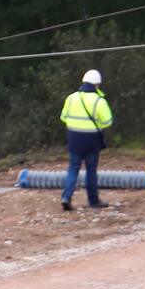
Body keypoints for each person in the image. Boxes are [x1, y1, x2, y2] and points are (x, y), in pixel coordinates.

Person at [59, 69, 114, 211]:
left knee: (73, 169)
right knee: (91, 171)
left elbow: (63, 117)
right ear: (97, 84)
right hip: (92, 140)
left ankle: (66, 197)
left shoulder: (71, 98)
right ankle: (93, 201)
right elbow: (108, 122)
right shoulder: (99, 101)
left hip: (74, 139)